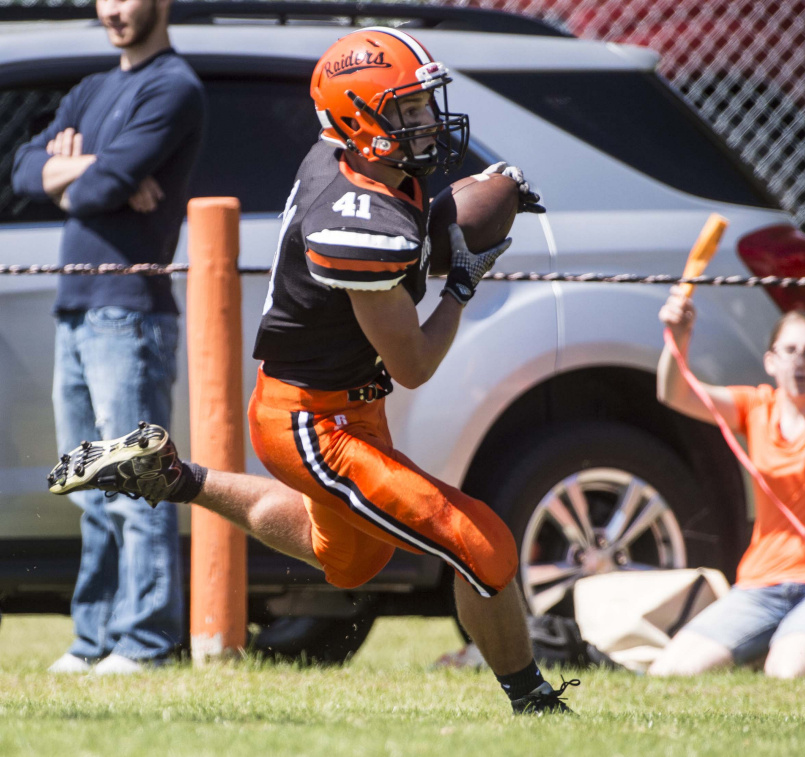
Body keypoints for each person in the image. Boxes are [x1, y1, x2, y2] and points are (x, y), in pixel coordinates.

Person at [46, 27, 578, 715]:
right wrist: (463, 284)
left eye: (424, 106)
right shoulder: (353, 220)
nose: (428, 123)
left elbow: (413, 225)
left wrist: (475, 201)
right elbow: (413, 363)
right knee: (481, 545)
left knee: (354, 561)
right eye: (408, 111)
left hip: (341, 406)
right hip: (312, 422)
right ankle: (534, 704)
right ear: (360, 118)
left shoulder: (356, 157)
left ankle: (173, 476)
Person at [11, 0, 205, 674]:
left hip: (129, 308)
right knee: (87, 480)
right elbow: (21, 167)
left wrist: (76, 175)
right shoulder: (93, 89)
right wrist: (87, 173)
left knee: (133, 475)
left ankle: (146, 640)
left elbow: (106, 187)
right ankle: (94, 637)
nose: (113, 9)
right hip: (76, 304)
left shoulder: (173, 85)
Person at [648, 217, 805, 679]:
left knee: (787, 673)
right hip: (762, 584)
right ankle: (776, 637)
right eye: (790, 351)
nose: (801, 361)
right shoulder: (754, 406)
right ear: (770, 362)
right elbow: (674, 394)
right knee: (671, 671)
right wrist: (677, 339)